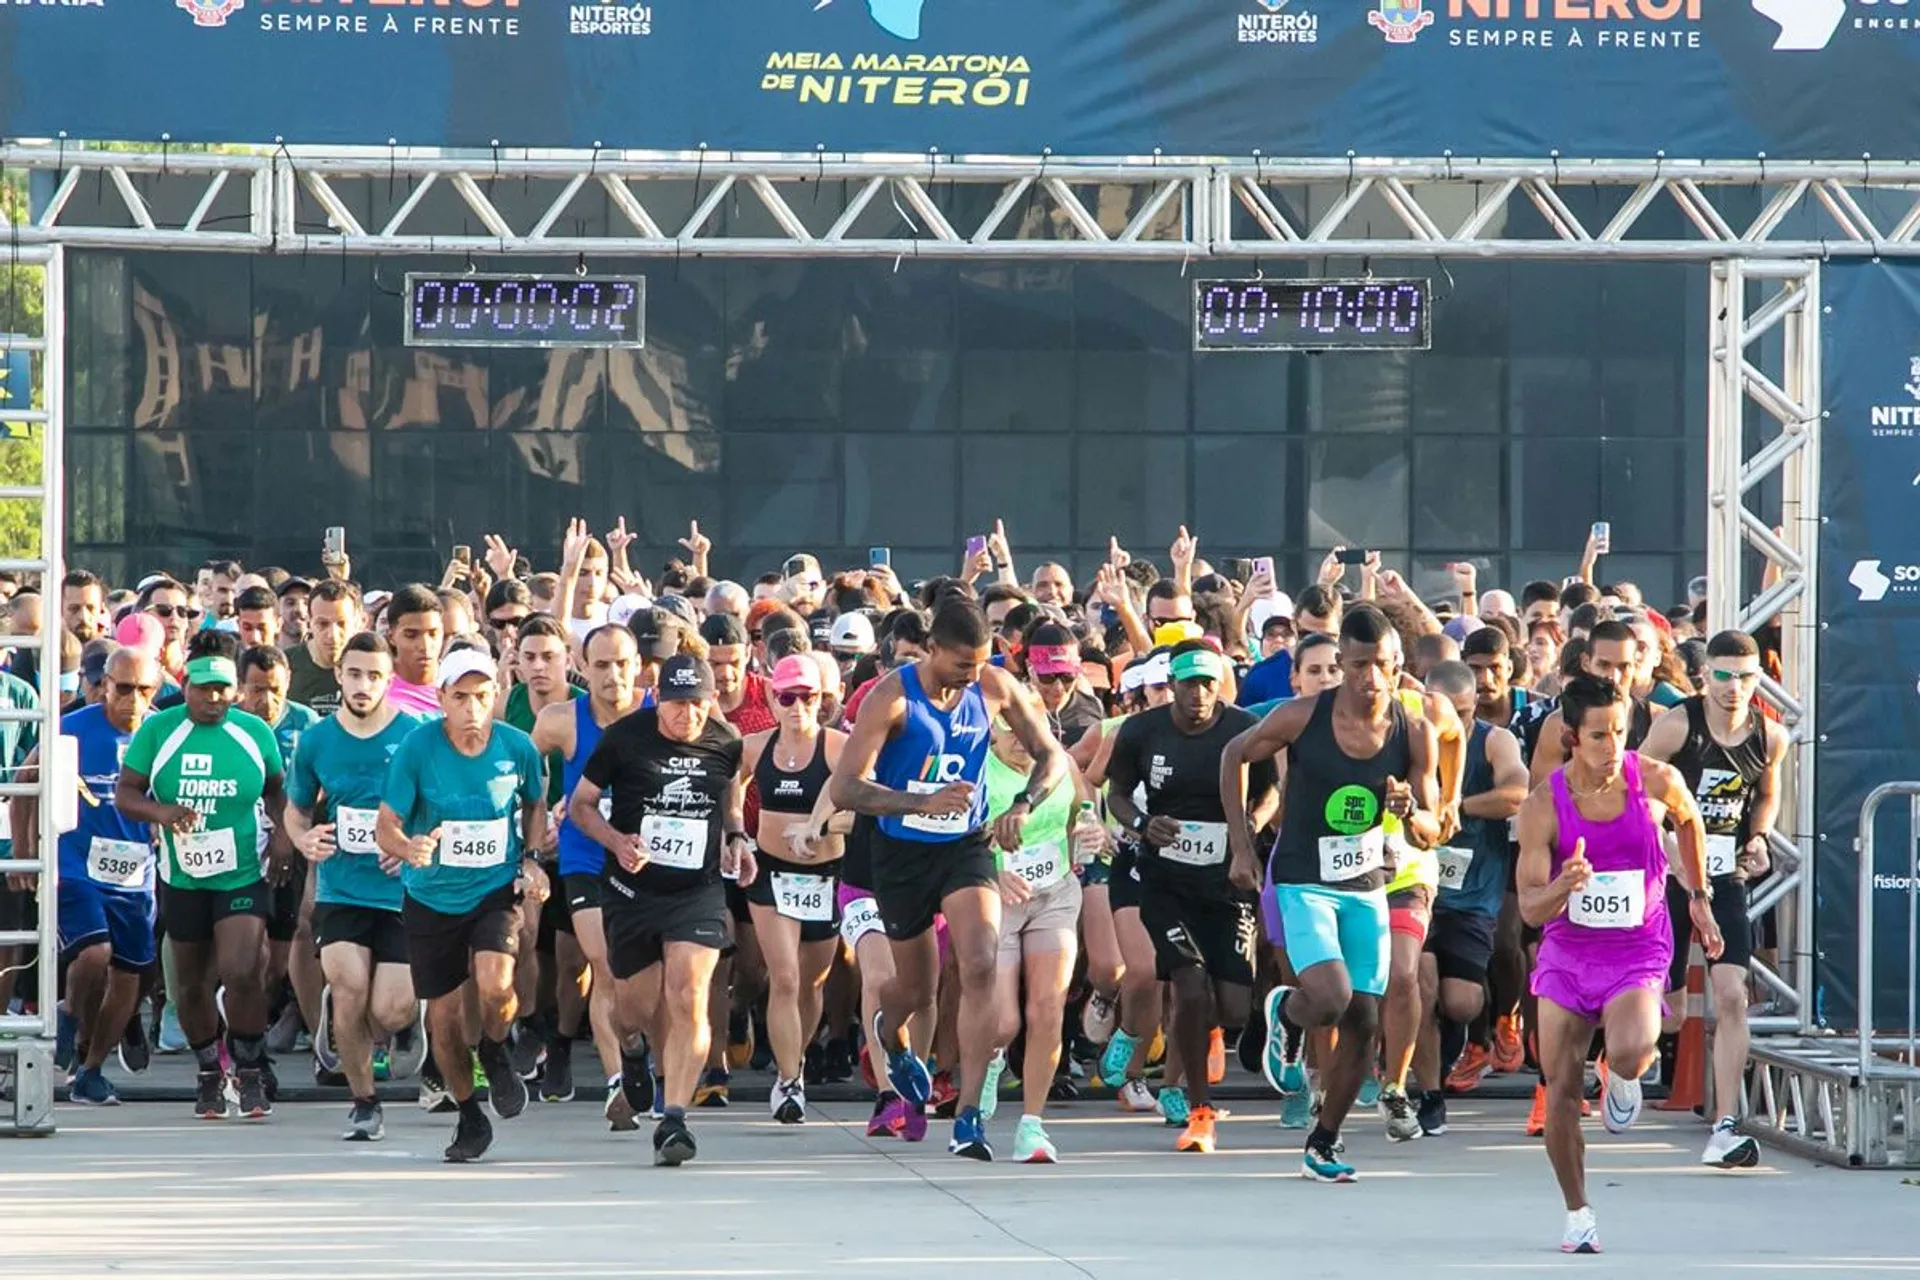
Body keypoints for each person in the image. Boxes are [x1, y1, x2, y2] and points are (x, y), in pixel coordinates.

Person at [829, 598, 1067, 1162]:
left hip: (966, 845)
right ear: (932, 648)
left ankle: (968, 1116)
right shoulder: (892, 697)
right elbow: (845, 789)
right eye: (961, 665)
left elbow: (1050, 754)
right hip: (901, 852)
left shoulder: (994, 687)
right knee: (915, 986)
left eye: (981, 663)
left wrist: (1024, 806)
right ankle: (888, 1035)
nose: (970, 676)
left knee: (981, 961)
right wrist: (921, 800)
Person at [1224, 606, 1442, 1183]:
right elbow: (1233, 756)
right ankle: (1288, 1013)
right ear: (1342, 665)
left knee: (1366, 1020)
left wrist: (1411, 812)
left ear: (1400, 667)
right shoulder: (1302, 716)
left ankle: (1324, 1142)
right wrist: (1244, 848)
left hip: (1366, 884)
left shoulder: (1413, 731)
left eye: (1384, 666)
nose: (1373, 677)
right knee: (1330, 995)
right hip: (1302, 879)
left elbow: (1434, 827)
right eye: (1361, 665)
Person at [1517, 674, 1722, 1254]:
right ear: (1570, 738)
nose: (1613, 747)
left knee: (1633, 1050)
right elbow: (1531, 908)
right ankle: (1578, 1211)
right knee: (1559, 1086)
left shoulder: (1654, 779)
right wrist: (1564, 883)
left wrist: (1699, 898)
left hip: (1638, 945)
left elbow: (1690, 819)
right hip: (1568, 951)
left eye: (1619, 732)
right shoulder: (1543, 807)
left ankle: (1622, 1077)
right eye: (1599, 737)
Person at [568, 654, 752, 1167]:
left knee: (689, 994)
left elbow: (730, 799)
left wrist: (737, 839)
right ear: (657, 698)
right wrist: (615, 840)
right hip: (632, 892)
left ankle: (674, 1118)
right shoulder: (625, 737)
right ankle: (630, 1051)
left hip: (697, 891)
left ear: (711, 701)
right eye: (676, 705)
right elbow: (582, 804)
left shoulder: (725, 739)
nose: (687, 716)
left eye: (698, 704)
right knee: (636, 1009)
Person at [378, 648, 550, 1164]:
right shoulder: (417, 747)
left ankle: (496, 1048)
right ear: (441, 699)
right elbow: (385, 823)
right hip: (431, 896)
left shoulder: (517, 747)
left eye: (481, 696)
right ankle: (470, 1115)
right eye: (460, 697)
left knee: (498, 985)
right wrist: (409, 848)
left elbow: (534, 803)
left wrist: (533, 857)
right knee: (446, 1022)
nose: (472, 708)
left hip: (495, 888)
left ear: (495, 696)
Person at [114, 630, 293, 1122]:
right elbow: (125, 793)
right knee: (189, 985)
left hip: (241, 871)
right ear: (185, 685)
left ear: (235, 689)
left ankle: (252, 1069)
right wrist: (163, 811)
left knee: (242, 970)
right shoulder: (160, 731)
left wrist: (281, 837)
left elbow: (277, 790)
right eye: (202, 688)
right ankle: (210, 1069)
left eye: (222, 689)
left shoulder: (253, 732)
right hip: (184, 875)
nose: (213, 699)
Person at [1106, 641, 1274, 1154]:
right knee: (1189, 986)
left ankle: (1267, 1027)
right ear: (1171, 685)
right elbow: (1116, 793)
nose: (1199, 694)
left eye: (1208, 683)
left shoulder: (1244, 728)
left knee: (1234, 1007)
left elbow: (1270, 790)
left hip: (1226, 882)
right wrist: (1141, 824)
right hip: (1166, 880)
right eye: (1189, 684)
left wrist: (1249, 828)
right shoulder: (1142, 731)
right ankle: (1197, 1109)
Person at [1637, 629, 1782, 1170]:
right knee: (1670, 1016)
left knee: (1731, 995)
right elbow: (1638, 788)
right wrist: (1672, 848)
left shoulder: (1769, 736)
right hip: (1670, 874)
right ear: (1704, 677)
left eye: (1745, 677)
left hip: (1724, 877)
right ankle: (1622, 1065)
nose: (1733, 687)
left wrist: (1760, 837)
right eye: (1722, 675)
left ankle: (1725, 1124)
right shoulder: (1678, 726)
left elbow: (1766, 793)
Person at [285, 632, 430, 1141]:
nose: (363, 684)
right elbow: (296, 808)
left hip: (399, 892)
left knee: (389, 1007)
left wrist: (409, 846)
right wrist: (304, 841)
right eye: (354, 674)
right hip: (341, 890)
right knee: (349, 987)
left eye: (374, 675)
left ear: (390, 680)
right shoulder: (319, 739)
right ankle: (364, 1102)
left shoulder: (415, 736)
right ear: (339, 676)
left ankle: (406, 1020)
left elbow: (435, 809)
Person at [7, 648, 159, 1104]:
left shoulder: (162, 732)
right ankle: (70, 1014)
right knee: (95, 951)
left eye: (145, 690)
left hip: (135, 871)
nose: (134, 699)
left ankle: (92, 1070)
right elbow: (24, 786)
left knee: (131, 976)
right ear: (104, 685)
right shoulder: (71, 727)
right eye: (124, 688)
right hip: (76, 863)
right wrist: (24, 851)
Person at [530, 622, 645, 1115]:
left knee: (642, 977)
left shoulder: (659, 712)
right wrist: (544, 814)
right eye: (601, 665)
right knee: (603, 965)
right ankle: (617, 1080)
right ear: (581, 667)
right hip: (584, 856)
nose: (612, 675)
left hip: (644, 857)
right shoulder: (561, 719)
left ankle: (639, 1052)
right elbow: (521, 769)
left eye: (622, 664)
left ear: (638, 665)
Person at [1413, 660, 1527, 1136]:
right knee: (1419, 981)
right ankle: (1427, 1093)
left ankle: (1460, 1036)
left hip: (1473, 893)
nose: (1453, 723)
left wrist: (1454, 806)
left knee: (1459, 1001)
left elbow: (1517, 792)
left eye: (1462, 712)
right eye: (1444, 711)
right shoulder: (1406, 735)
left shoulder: (1494, 740)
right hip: (1414, 887)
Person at [739, 655, 850, 1125]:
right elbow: (730, 790)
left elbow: (862, 809)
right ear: (772, 699)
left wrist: (817, 825)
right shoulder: (754, 746)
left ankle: (796, 1060)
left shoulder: (837, 748)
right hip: (771, 874)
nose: (797, 706)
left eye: (807, 697)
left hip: (824, 874)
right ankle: (788, 1082)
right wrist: (736, 836)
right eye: (787, 697)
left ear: (821, 700)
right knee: (782, 977)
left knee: (812, 982)